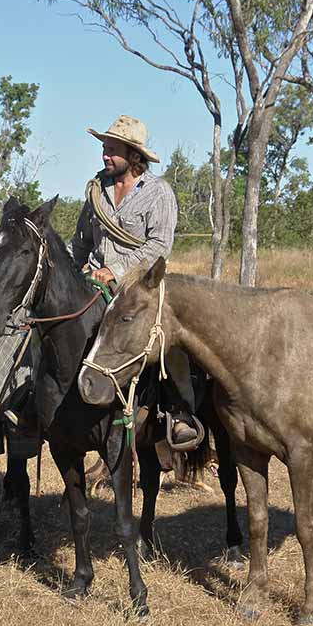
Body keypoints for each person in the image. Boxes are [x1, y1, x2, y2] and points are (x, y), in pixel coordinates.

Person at [71, 114, 200, 449]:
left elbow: (159, 246)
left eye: (112, 150)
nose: (105, 155)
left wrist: (116, 269)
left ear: (133, 156)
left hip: (141, 283)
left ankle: (180, 412)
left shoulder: (158, 193)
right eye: (104, 148)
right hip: (94, 280)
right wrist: (79, 268)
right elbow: (82, 239)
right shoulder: (96, 191)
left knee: (170, 340)